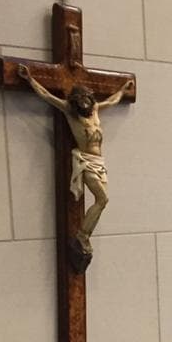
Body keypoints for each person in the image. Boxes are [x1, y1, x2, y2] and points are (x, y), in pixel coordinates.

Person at [17, 65, 134, 259]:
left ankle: (83, 235)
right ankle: (82, 236)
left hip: (99, 162)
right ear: (76, 101)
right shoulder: (69, 111)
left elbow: (112, 101)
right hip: (86, 161)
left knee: (102, 202)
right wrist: (30, 79)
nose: (86, 102)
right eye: (81, 99)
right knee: (103, 199)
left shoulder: (95, 109)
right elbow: (46, 95)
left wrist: (122, 90)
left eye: (87, 98)